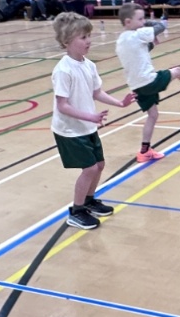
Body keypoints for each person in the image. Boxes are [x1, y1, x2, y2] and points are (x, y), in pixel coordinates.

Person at [50, 12, 133, 230]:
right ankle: (76, 212)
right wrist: (91, 117)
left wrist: (120, 103)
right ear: (67, 41)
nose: (89, 41)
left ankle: (88, 200)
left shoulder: (89, 65)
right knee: (89, 168)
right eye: (83, 37)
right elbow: (63, 105)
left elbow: (96, 92)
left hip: (87, 126)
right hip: (70, 130)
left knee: (99, 165)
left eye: (89, 36)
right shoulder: (63, 70)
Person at [115, 4, 180, 163]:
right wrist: (148, 25)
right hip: (149, 81)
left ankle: (144, 151)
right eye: (140, 19)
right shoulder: (137, 34)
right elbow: (160, 26)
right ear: (128, 22)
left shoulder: (121, 41)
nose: (143, 22)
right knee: (178, 71)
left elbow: (140, 52)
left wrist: (151, 42)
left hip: (136, 86)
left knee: (153, 115)